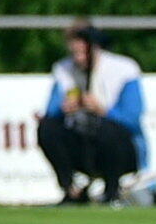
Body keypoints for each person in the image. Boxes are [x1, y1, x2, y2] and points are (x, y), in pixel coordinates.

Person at [37, 22, 148, 204]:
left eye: (84, 53)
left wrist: (103, 110)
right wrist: (64, 108)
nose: (79, 59)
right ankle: (70, 190)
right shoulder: (63, 69)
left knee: (107, 129)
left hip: (120, 147)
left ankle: (112, 191)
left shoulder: (124, 69)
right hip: (82, 144)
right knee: (47, 128)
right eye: (75, 53)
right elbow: (50, 112)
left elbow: (133, 118)